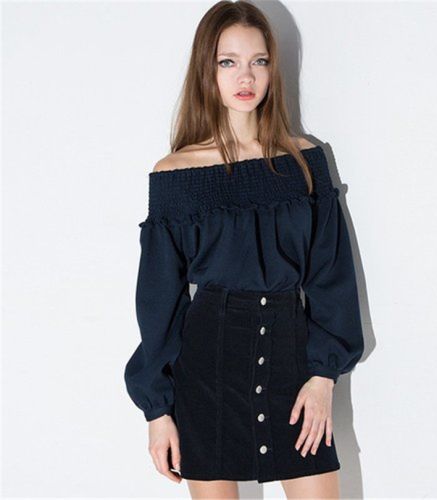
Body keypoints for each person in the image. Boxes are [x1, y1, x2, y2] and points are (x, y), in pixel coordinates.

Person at [124, 1, 364, 498]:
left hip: (294, 370)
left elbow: (331, 276)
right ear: (206, 70)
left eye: (259, 60)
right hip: (205, 376)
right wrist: (158, 412)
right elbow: (158, 302)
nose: (246, 76)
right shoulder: (175, 174)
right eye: (227, 61)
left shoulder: (305, 162)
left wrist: (323, 378)